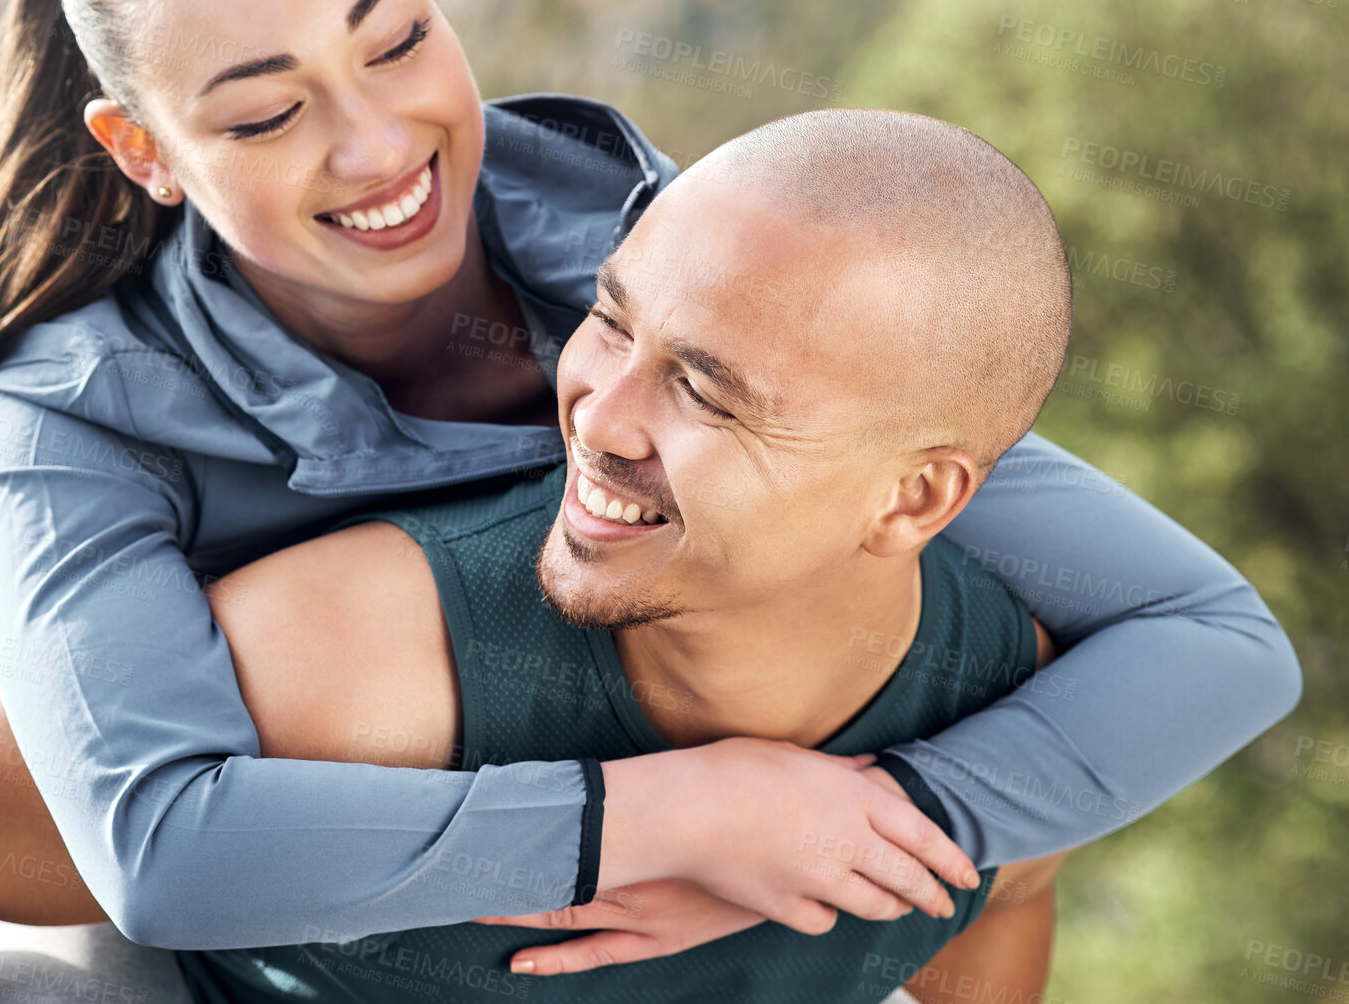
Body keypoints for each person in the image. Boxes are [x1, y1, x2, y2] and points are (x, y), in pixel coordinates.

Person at [0, 0, 1300, 1004]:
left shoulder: (632, 240)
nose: (377, 146)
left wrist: (867, 819)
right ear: (145, 150)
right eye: (265, 109)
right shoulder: (71, 416)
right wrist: (672, 817)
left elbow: (1206, 639)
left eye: (393, 38)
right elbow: (159, 851)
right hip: (255, 941)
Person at [187, 108, 1084, 1004]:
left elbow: (1007, 897)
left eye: (701, 391)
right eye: (611, 321)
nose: (593, 417)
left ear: (911, 498)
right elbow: (71, 857)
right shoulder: (349, 660)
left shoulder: (1001, 721)